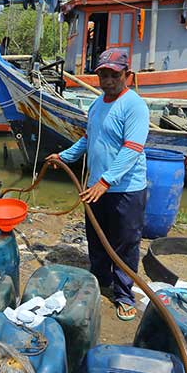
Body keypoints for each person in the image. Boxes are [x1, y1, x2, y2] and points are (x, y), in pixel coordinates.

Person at [45, 48, 149, 321]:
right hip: (96, 186)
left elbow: (132, 148)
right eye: (103, 74)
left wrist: (106, 181)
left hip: (125, 189)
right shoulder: (97, 105)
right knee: (96, 239)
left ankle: (124, 295)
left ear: (127, 75)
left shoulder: (134, 105)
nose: (107, 79)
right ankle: (100, 281)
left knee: (125, 244)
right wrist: (64, 156)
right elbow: (88, 139)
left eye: (114, 74)